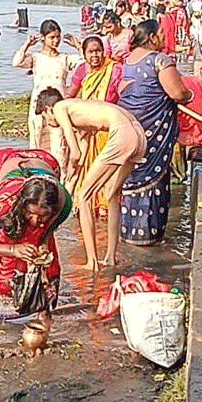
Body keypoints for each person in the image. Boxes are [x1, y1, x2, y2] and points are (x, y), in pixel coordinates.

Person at [36, 89, 146, 269]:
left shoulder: (59, 108)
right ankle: (110, 258)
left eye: (44, 117)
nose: (48, 123)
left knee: (84, 196)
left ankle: (92, 262)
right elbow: (83, 147)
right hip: (138, 134)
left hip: (122, 133)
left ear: (48, 109)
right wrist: (73, 175)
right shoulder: (79, 110)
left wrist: (69, 173)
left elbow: (75, 153)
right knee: (111, 194)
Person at [0, 148, 72, 322]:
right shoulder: (7, 201)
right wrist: (13, 250)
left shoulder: (62, 204)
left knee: (44, 255)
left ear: (52, 211)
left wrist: (43, 245)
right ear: (23, 205)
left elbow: (47, 231)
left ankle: (43, 314)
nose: (35, 220)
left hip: (45, 162)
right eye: (30, 213)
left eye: (43, 215)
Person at [117, 20, 193, 245]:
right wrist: (191, 95)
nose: (165, 37)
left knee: (132, 174)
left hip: (133, 127)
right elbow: (177, 93)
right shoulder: (160, 60)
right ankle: (150, 236)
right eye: (161, 34)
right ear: (151, 37)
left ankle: (129, 233)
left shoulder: (128, 60)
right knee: (153, 179)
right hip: (154, 129)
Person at [14, 20, 81, 161]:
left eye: (58, 37)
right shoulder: (36, 58)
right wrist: (27, 45)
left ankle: (59, 172)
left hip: (58, 105)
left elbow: (85, 63)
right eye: (52, 37)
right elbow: (17, 62)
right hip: (38, 104)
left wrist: (78, 46)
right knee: (36, 138)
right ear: (43, 38)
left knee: (59, 143)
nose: (56, 41)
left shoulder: (64, 58)